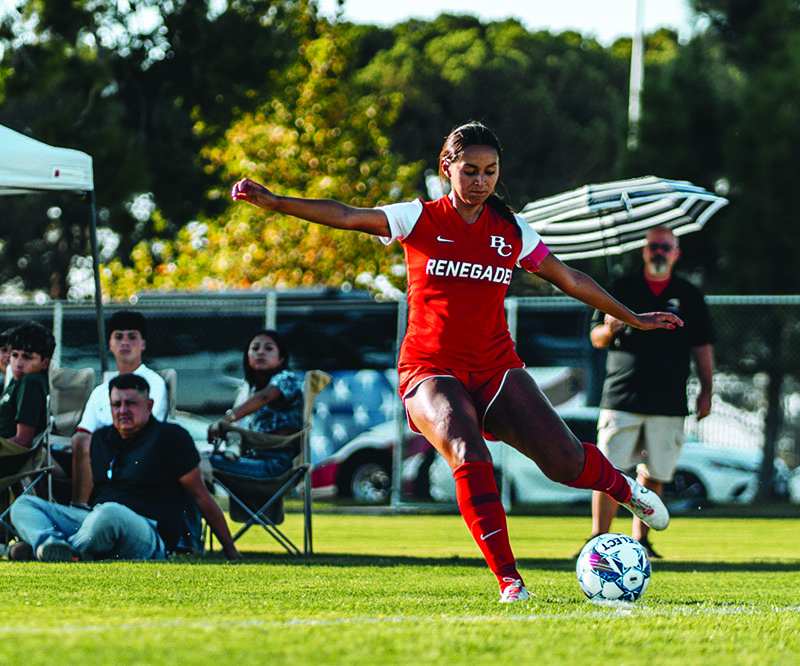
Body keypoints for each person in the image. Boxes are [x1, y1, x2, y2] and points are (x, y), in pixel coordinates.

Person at [231, 121, 679, 602]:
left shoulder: (510, 230)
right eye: (470, 171)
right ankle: (510, 581)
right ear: (447, 169)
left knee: (566, 462)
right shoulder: (417, 217)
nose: (481, 181)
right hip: (429, 370)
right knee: (469, 454)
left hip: (496, 368)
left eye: (490, 171)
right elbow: (345, 214)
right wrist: (277, 203)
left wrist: (630, 316)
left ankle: (624, 489)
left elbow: (568, 278)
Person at [8, 374, 241, 562]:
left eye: (131, 403)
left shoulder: (170, 437)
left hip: (149, 533)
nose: (122, 410)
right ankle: (48, 546)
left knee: (110, 513)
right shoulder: (100, 438)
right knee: (24, 505)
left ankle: (56, 552)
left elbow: (201, 496)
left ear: (149, 405)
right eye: (116, 404)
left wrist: (230, 550)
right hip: (96, 522)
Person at [586, 226, 715, 559]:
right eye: (654, 246)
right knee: (608, 472)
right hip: (621, 397)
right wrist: (608, 327)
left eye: (666, 247)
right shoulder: (621, 288)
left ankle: (641, 542)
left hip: (668, 401)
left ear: (676, 253)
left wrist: (706, 391)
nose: (659, 251)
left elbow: (702, 346)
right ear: (644, 251)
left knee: (655, 473)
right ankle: (598, 541)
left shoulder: (689, 294)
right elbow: (595, 339)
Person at [68, 310, 167, 508]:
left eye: (132, 337)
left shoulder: (154, 384)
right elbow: (84, 431)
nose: (125, 343)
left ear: (143, 344)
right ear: (110, 345)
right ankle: (78, 509)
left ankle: (80, 510)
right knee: (76, 443)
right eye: (118, 337)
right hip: (100, 458)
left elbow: (144, 431)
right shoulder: (100, 391)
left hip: (139, 457)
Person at [207, 329, 304, 478]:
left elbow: (264, 398)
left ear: (281, 359)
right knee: (197, 458)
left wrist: (225, 420)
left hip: (274, 463)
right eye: (255, 348)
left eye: (269, 348)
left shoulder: (286, 378)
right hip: (254, 457)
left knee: (192, 462)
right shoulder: (251, 389)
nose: (261, 352)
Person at [0, 321, 55, 478]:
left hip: (8, 460)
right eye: (14, 355)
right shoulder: (17, 380)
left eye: (27, 357)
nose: (18, 364)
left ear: (44, 363)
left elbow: (23, 441)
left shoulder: (30, 383)